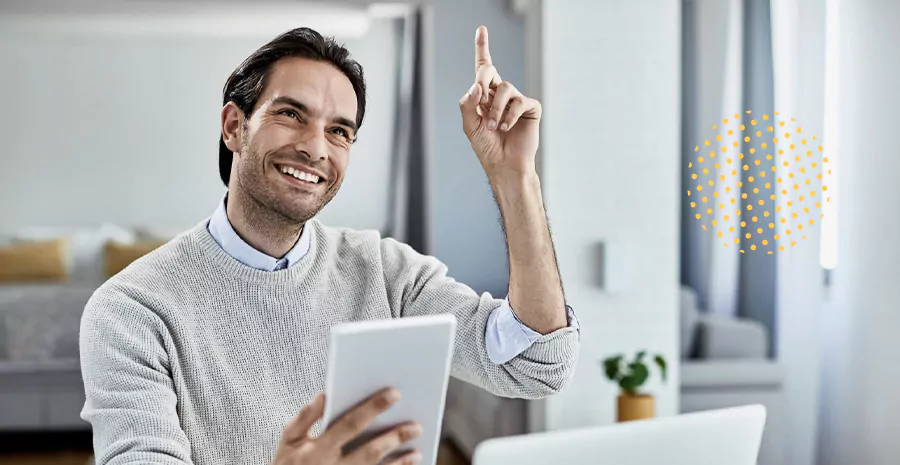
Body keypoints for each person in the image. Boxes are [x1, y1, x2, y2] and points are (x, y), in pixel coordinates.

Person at [79, 25, 579, 465]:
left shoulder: (387, 273)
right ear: (235, 126)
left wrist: (515, 179)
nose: (316, 148)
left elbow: (536, 365)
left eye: (339, 131)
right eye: (292, 115)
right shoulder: (132, 310)